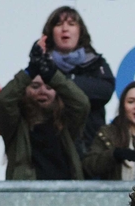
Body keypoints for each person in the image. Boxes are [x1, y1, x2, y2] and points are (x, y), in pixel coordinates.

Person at [0, 38, 90, 180]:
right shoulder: (15, 123)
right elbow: (3, 101)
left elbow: (82, 104)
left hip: (66, 196)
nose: (42, 91)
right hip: (28, 197)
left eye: (49, 87)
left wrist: (52, 75)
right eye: (34, 86)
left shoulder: (65, 122)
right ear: (24, 90)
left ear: (57, 91)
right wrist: (29, 71)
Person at [42, 6, 115, 154]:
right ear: (50, 33)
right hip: (51, 149)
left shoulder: (95, 62)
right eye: (58, 24)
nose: (65, 29)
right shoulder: (41, 64)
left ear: (80, 31)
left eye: (71, 24)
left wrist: (65, 82)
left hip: (90, 148)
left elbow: (105, 90)